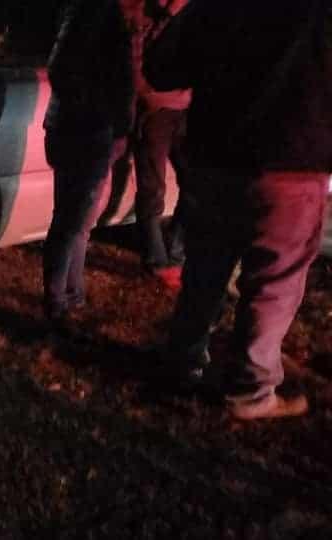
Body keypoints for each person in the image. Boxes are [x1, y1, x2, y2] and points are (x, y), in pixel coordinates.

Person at [146, 0, 332, 419]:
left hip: (215, 159)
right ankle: (250, 391)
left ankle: (182, 363)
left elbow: (161, 69)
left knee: (205, 271)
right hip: (292, 164)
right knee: (274, 283)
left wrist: (172, 19)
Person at [42, 0, 135, 322]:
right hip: (89, 130)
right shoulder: (105, 16)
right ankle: (57, 302)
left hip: (63, 126)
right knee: (73, 223)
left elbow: (58, 69)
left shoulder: (71, 12)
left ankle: (71, 292)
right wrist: (120, 127)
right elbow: (123, 79)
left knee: (72, 220)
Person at [124, 0, 191, 288]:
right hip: (155, 112)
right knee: (152, 187)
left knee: (195, 184)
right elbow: (132, 61)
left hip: (185, 109)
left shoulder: (191, 15)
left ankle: (175, 253)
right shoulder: (143, 13)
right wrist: (149, 96)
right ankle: (157, 260)